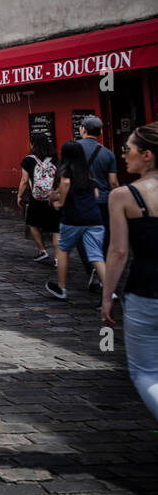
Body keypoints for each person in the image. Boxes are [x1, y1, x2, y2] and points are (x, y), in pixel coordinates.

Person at [102, 122, 158, 418]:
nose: (124, 155)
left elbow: (119, 251)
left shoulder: (124, 195)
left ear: (147, 154)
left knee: (146, 373)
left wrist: (107, 294)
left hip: (146, 291)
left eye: (129, 149)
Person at [45, 140, 106, 302]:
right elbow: (97, 195)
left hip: (73, 217)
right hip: (94, 217)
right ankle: (110, 291)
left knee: (63, 249)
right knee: (96, 255)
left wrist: (61, 201)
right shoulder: (86, 171)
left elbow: (65, 182)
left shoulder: (66, 170)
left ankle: (61, 287)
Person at [76, 115, 118, 285]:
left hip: (82, 200)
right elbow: (113, 181)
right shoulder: (108, 153)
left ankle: (92, 267)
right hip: (104, 200)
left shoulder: (73, 150)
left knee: (81, 236)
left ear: (83, 129)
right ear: (100, 132)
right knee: (104, 235)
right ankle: (103, 265)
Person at [18, 134, 61, 263]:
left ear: (32, 145)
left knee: (32, 223)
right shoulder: (55, 159)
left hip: (36, 198)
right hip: (52, 197)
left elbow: (24, 180)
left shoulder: (28, 160)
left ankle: (42, 250)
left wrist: (19, 195)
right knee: (56, 228)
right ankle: (58, 258)